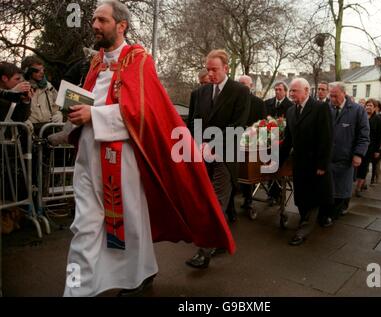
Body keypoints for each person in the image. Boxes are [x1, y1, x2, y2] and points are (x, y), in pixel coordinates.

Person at [63, 0, 235, 297]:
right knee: (85, 226)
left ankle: (139, 274)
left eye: (102, 20)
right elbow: (92, 99)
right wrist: (76, 109)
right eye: (94, 19)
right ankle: (77, 290)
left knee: (127, 225)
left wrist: (95, 115)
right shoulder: (95, 61)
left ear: (121, 25)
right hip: (88, 156)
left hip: (120, 155)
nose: (94, 25)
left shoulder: (138, 58)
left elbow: (143, 111)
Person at [186, 49, 250, 269]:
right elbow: (194, 122)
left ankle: (203, 252)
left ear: (226, 68)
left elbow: (239, 124)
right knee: (206, 200)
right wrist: (198, 145)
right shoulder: (201, 93)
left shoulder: (240, 91)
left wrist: (214, 144)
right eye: (208, 69)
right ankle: (220, 241)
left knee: (215, 202)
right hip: (203, 155)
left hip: (225, 156)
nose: (210, 73)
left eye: (214, 69)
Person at [278, 78, 333, 245]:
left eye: (295, 91)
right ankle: (305, 220)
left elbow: (326, 138)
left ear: (307, 91)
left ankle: (303, 230)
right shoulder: (290, 111)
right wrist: (277, 161)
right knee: (300, 197)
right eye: (291, 91)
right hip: (299, 163)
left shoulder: (320, 108)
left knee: (313, 197)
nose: (292, 94)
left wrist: (322, 165)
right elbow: (288, 140)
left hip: (315, 163)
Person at [320, 82, 370, 224]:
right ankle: (325, 214)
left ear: (344, 93)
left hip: (345, 158)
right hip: (327, 158)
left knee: (341, 191)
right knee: (327, 189)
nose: (332, 99)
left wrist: (358, 154)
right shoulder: (326, 108)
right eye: (331, 96)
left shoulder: (357, 110)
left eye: (335, 96)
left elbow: (364, 135)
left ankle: (333, 215)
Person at [238, 75, 267, 211]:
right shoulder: (232, 100)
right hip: (234, 139)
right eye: (240, 83)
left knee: (248, 173)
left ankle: (248, 199)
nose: (243, 85)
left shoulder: (258, 103)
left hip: (251, 142)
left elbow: (262, 124)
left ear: (251, 86)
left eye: (245, 83)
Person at [264, 81, 293, 204]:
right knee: (269, 167)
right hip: (268, 140)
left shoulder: (290, 106)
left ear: (285, 91)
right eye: (276, 89)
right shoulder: (268, 103)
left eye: (280, 89)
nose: (277, 92)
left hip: (282, 142)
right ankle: (271, 193)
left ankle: (276, 194)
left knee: (279, 169)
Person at [21, 55, 63, 135]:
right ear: (27, 71)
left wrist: (56, 114)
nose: (42, 72)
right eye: (37, 70)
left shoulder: (48, 86)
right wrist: (23, 120)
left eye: (43, 70)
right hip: (28, 129)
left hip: (47, 127)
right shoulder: (20, 86)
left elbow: (57, 102)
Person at [355, 99, 381, 196]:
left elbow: (379, 135)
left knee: (363, 167)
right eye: (367, 105)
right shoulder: (361, 116)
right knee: (357, 167)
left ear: (375, 108)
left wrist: (377, 150)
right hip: (358, 146)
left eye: (371, 105)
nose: (368, 107)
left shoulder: (378, 119)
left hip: (370, 148)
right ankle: (362, 182)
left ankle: (358, 188)